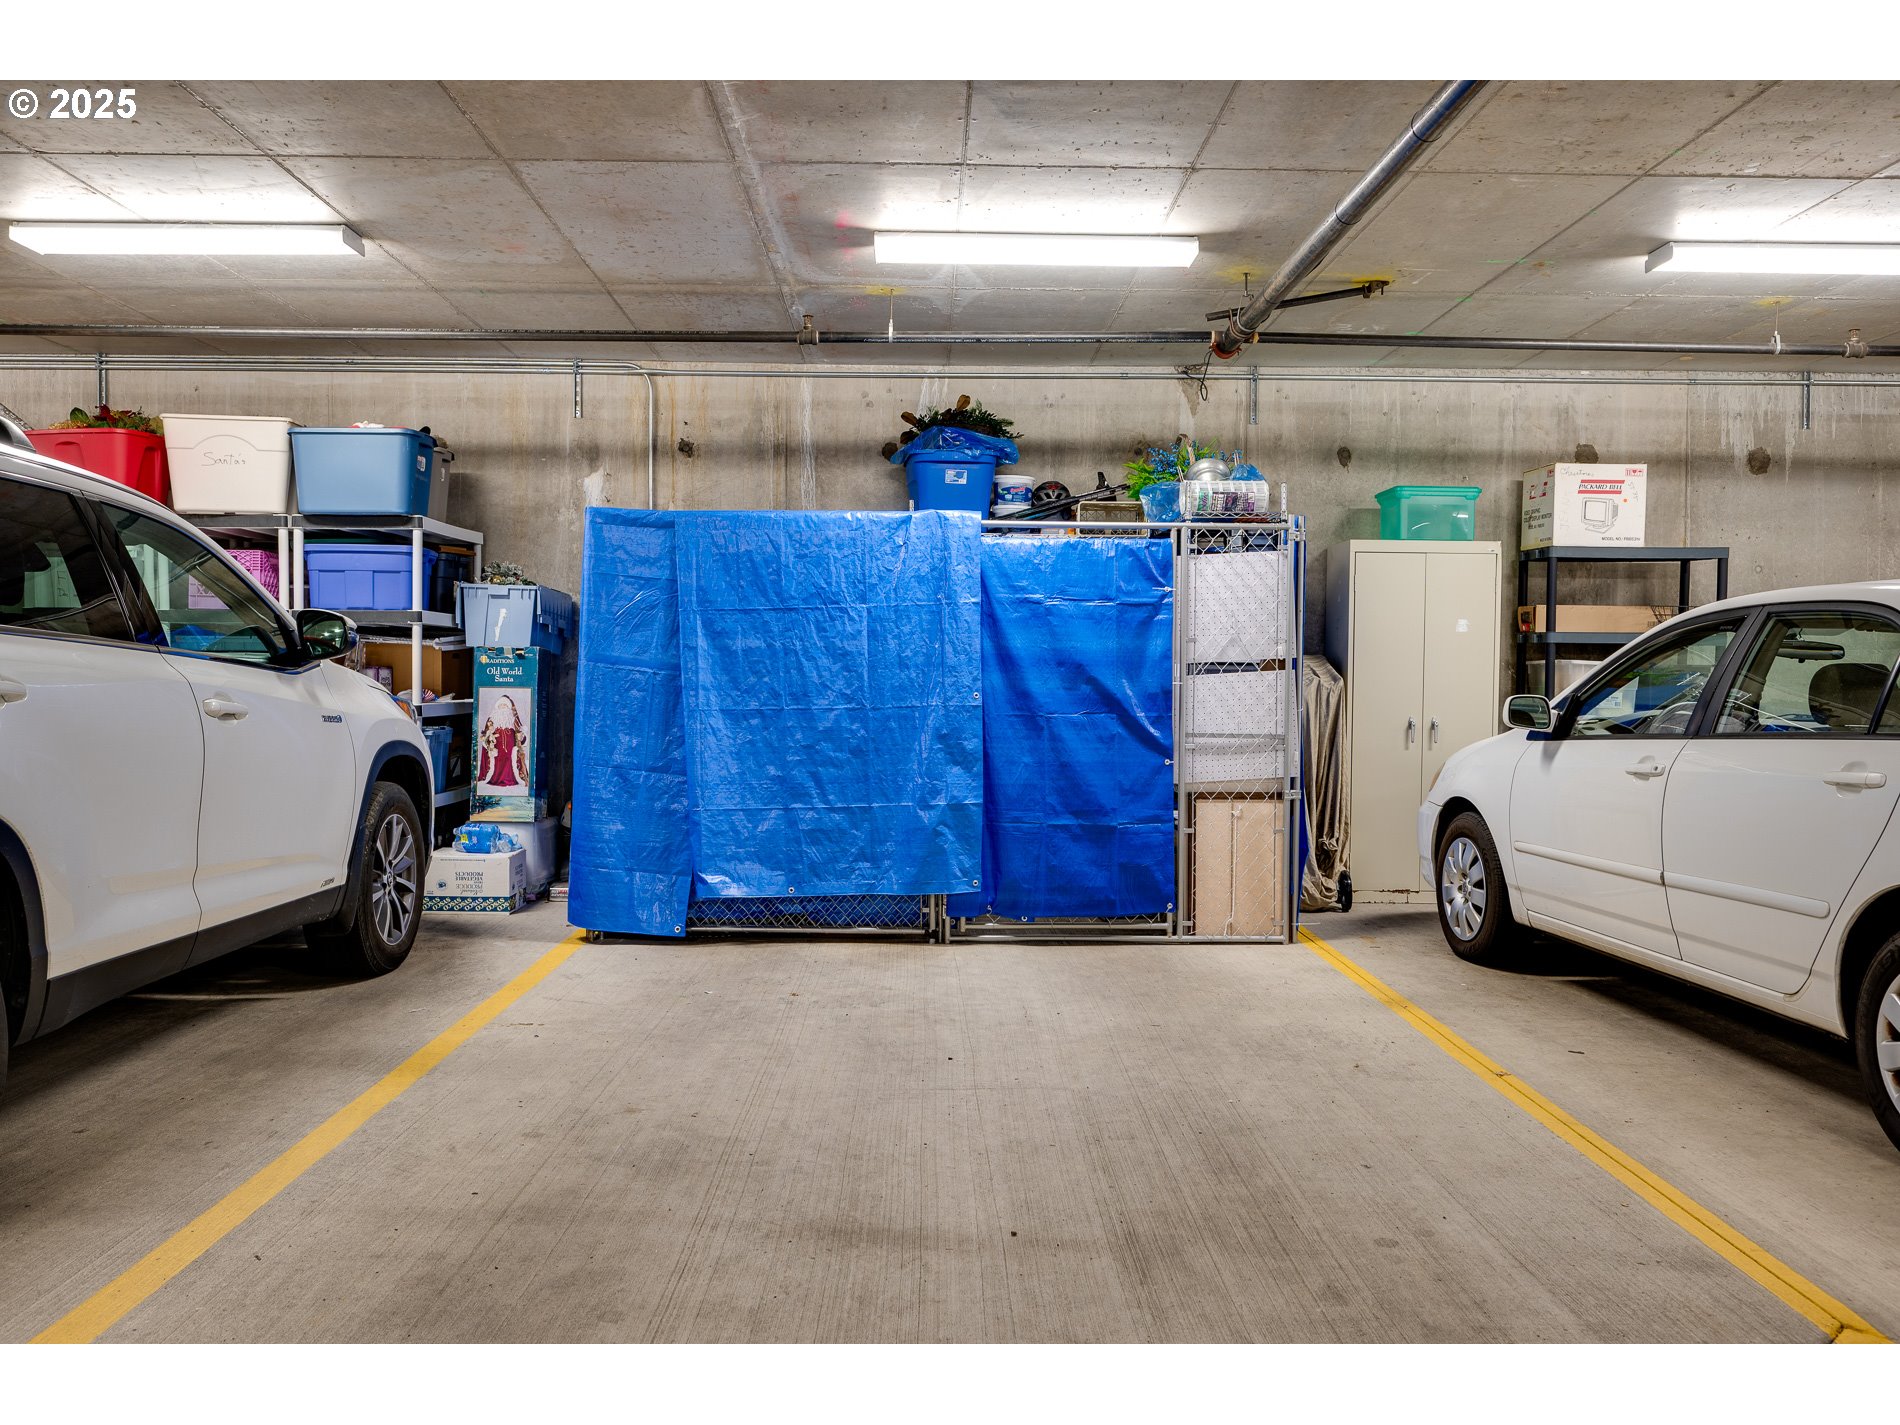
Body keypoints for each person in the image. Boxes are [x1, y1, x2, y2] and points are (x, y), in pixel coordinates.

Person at [478, 694, 528, 789]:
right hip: (496, 746)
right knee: (497, 760)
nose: (503, 707)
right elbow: (486, 733)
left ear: (508, 707)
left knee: (510, 759)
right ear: (497, 707)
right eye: (501, 705)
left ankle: (510, 778)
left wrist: (521, 736)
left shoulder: (513, 719)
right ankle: (495, 778)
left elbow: (521, 733)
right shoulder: (491, 719)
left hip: (510, 745)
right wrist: (488, 739)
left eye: (505, 705)